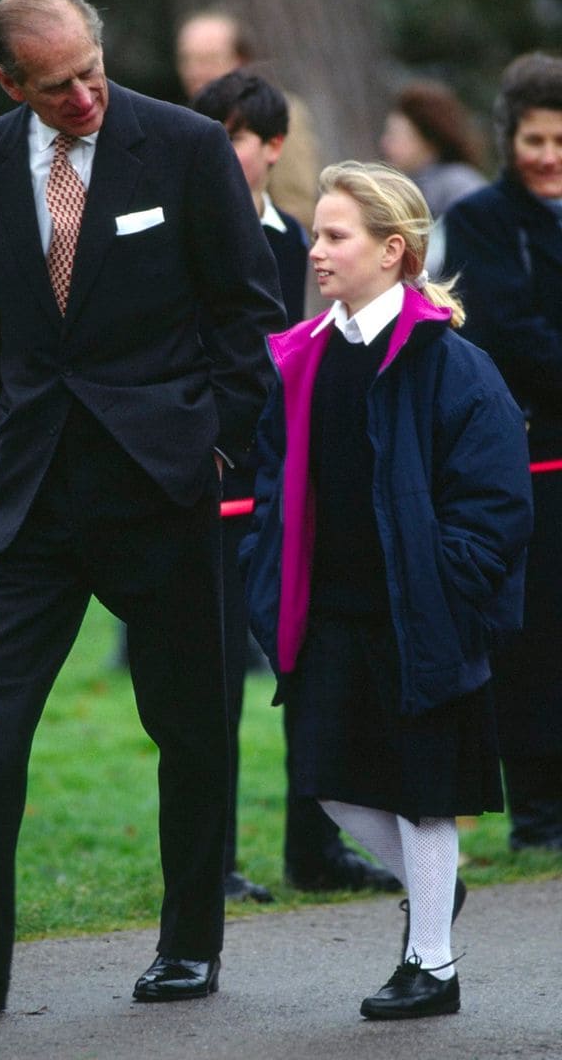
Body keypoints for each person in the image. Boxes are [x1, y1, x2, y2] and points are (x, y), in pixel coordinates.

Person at [0, 0, 285, 1014]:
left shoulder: (183, 146)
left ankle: (190, 943)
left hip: (163, 485)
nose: (84, 97)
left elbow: (247, 314)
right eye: (55, 88)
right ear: (10, 82)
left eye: (91, 72)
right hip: (28, 492)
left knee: (188, 725)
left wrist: (216, 447)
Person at [241, 161, 533, 1020]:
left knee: (424, 790)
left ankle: (432, 964)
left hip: (423, 612)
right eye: (320, 234)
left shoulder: (453, 362)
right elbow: (273, 481)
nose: (318, 253)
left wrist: (448, 582)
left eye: (336, 237)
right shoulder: (303, 359)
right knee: (328, 778)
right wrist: (269, 571)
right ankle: (434, 894)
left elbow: (495, 500)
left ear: (393, 250)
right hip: (328, 612)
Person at [192, 70, 400, 903]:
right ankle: (211, 863)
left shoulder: (296, 241)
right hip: (214, 481)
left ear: (273, 147)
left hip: (293, 478)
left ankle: (316, 847)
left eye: (237, 135)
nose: (221, 151)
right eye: (209, 133)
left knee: (313, 664)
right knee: (210, 680)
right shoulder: (178, 234)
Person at [443, 52, 562, 852]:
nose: (547, 154)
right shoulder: (484, 219)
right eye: (533, 138)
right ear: (507, 139)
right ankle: (539, 814)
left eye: (559, 138)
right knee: (534, 639)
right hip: (533, 455)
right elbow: (506, 331)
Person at [175, 8, 322, 232]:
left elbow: (297, 205)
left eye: (210, 59)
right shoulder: (176, 120)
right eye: (188, 59)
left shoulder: (279, 112)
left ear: (240, 60)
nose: (195, 71)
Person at [380, 81, 487, 276]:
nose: (385, 143)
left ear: (426, 138)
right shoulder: (407, 186)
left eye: (396, 135)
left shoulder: (459, 185)